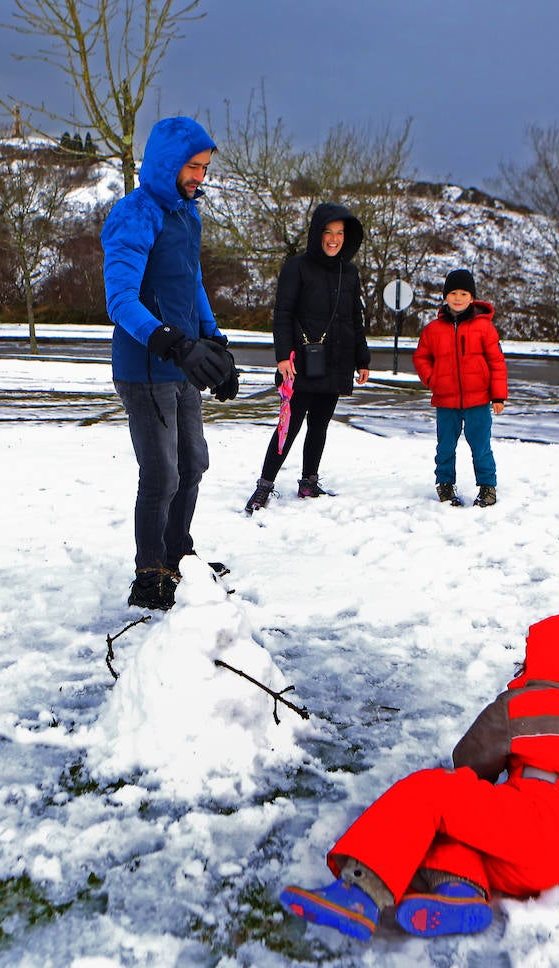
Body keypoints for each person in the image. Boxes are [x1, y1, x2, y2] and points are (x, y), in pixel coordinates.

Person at [280, 613, 559, 941]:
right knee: (459, 832)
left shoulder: (524, 703)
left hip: (531, 819)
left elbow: (470, 761)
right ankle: (458, 893)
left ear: (545, 658)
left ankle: (358, 891)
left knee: (431, 795)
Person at [101, 115, 239, 611]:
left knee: (193, 463)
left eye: (203, 168)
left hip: (180, 364)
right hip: (144, 368)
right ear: (166, 162)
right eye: (192, 166)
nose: (199, 177)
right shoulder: (135, 214)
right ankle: (150, 573)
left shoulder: (187, 214)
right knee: (161, 473)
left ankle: (179, 555)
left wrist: (215, 342)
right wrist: (174, 344)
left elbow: (193, 283)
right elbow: (120, 300)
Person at [243, 203, 371, 514]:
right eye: (328, 232)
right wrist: (282, 357)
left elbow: (355, 318)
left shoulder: (349, 272)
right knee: (289, 426)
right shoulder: (296, 267)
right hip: (300, 361)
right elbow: (282, 314)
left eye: (340, 233)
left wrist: (362, 358)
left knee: (320, 425)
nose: (334, 239)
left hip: (337, 359)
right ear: (317, 233)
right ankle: (264, 486)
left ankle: (308, 481)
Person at [412, 268, 508, 507]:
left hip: (478, 401)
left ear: (472, 298)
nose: (457, 297)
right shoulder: (433, 330)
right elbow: (421, 358)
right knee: (445, 446)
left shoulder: (484, 328)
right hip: (446, 401)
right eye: (453, 292)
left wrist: (498, 396)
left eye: (463, 293)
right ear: (445, 296)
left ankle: (487, 487)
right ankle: (444, 484)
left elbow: (496, 362)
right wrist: (432, 378)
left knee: (481, 446)